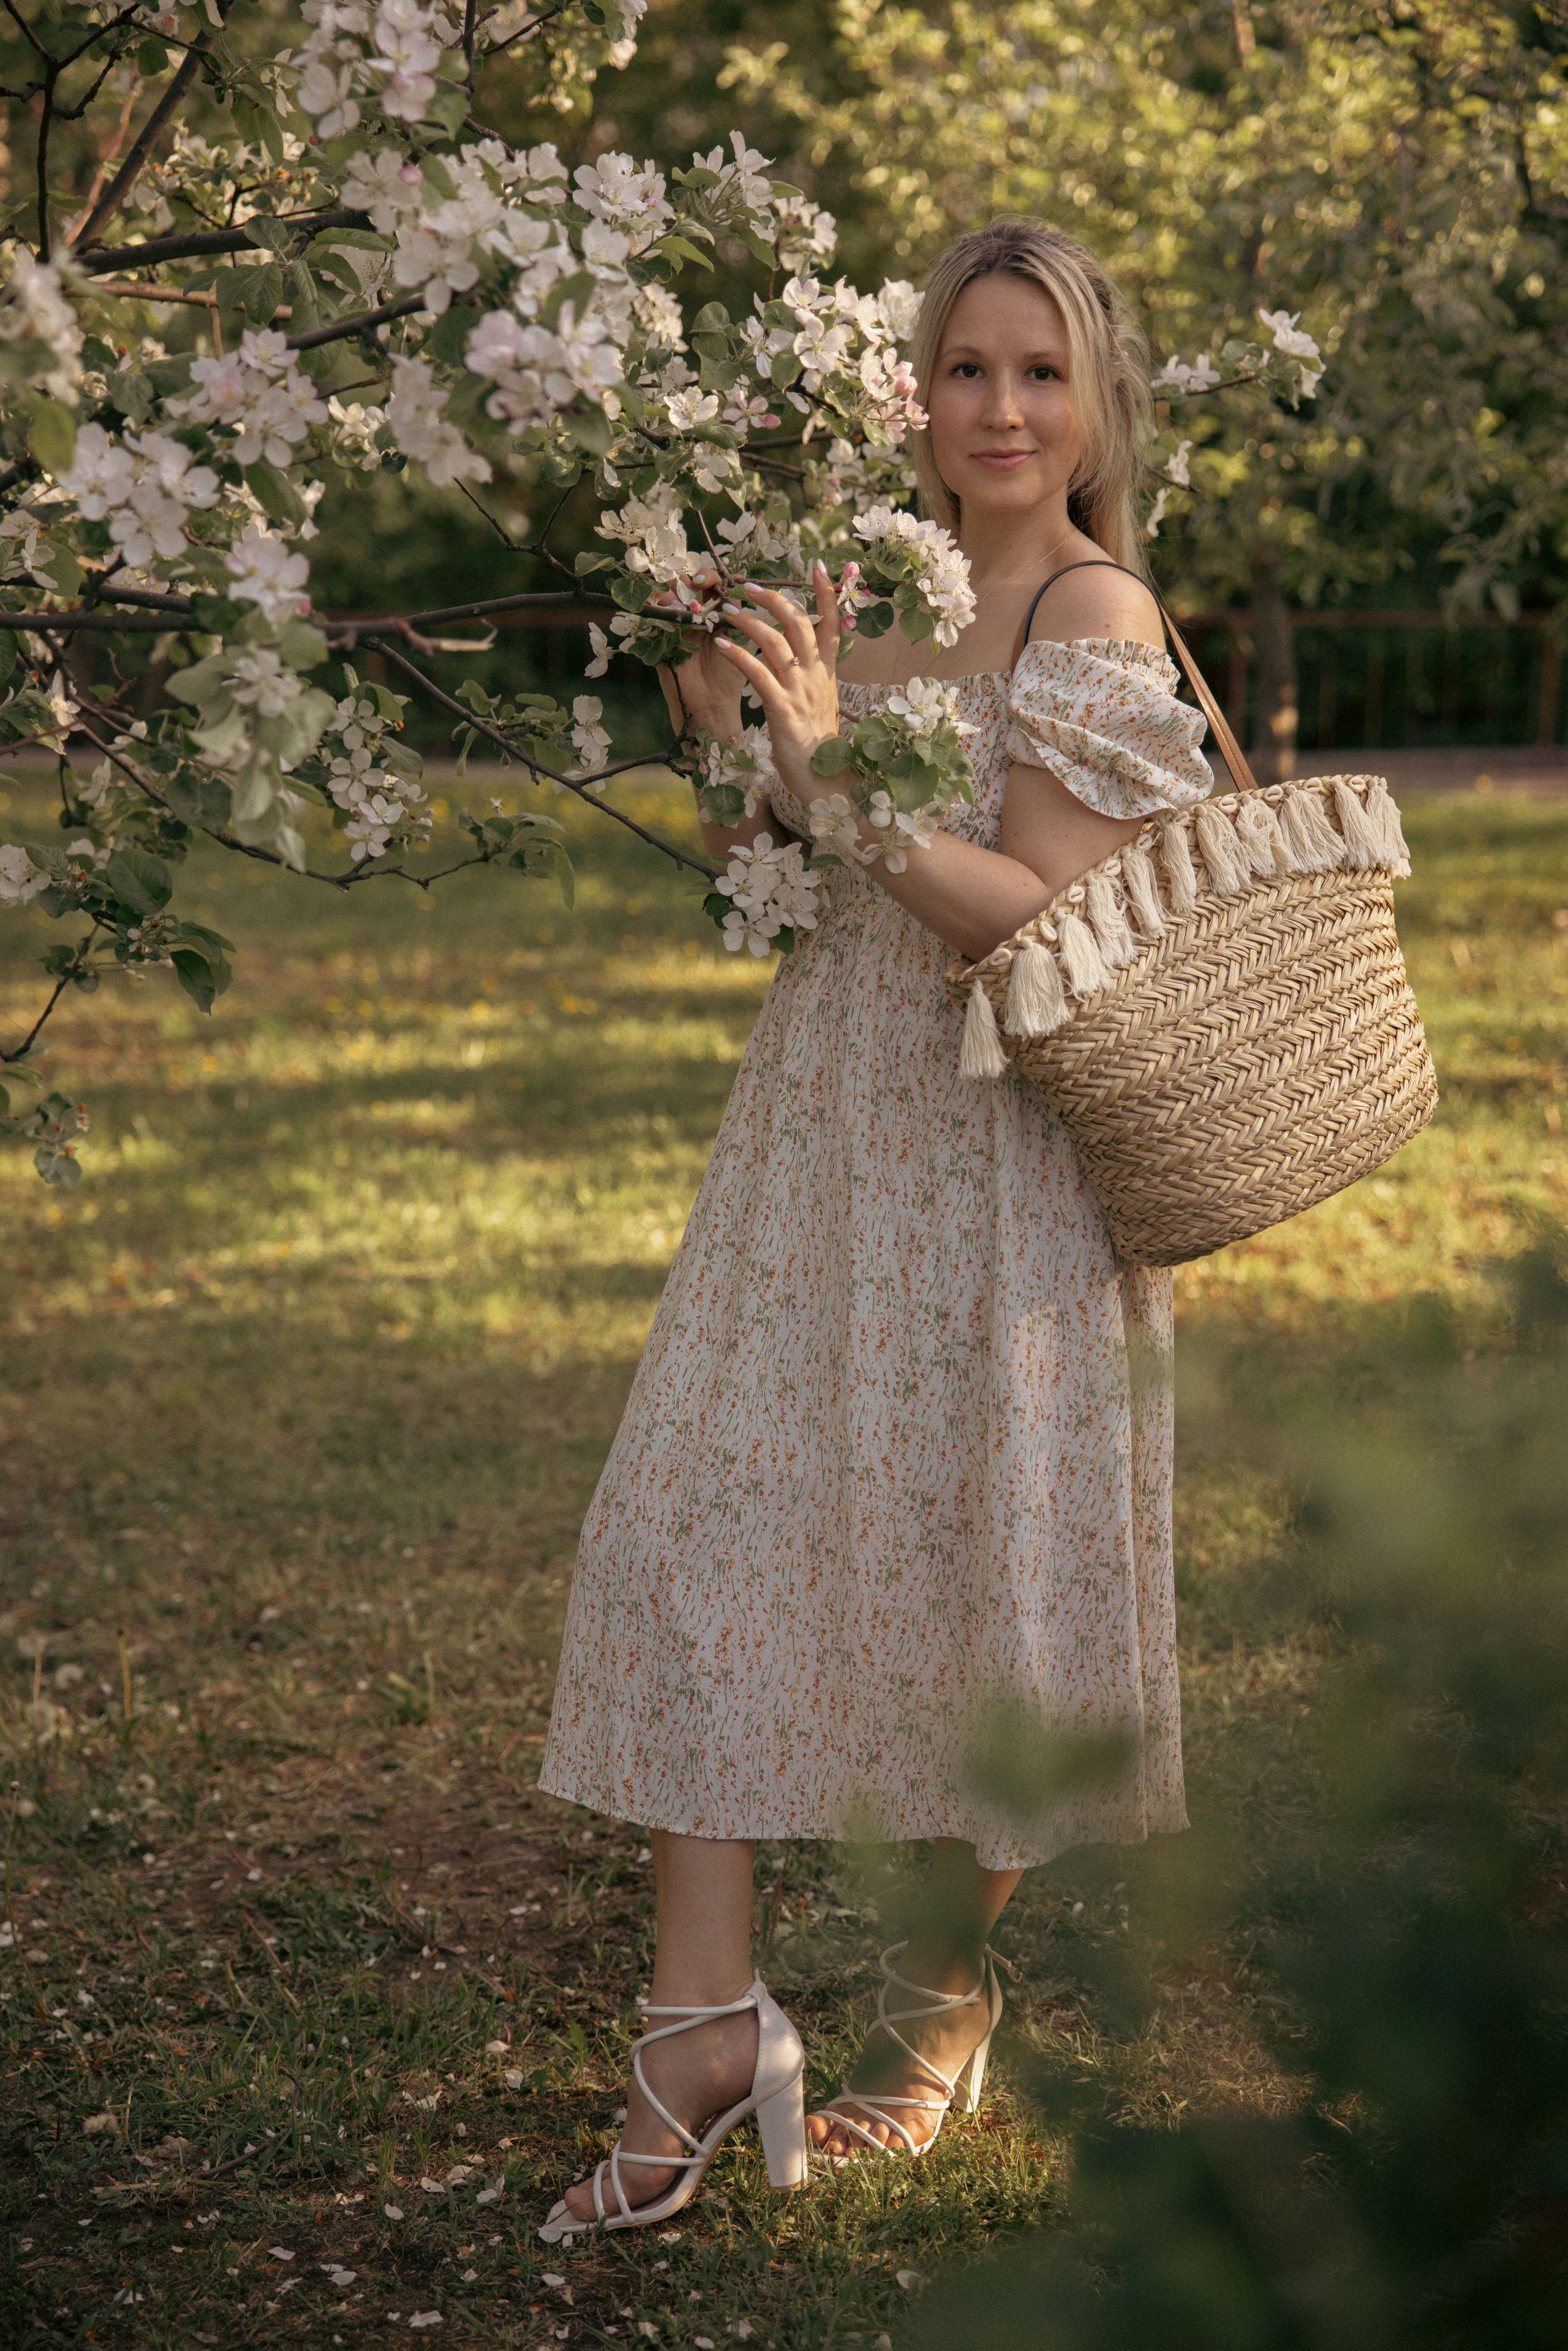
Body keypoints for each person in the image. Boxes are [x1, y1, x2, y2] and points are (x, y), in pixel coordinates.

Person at [535, 219, 1212, 2240]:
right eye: (961, 370)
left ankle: (934, 2011)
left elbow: (1060, 923)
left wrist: (838, 787)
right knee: (691, 1521)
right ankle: (703, 2029)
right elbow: (778, 844)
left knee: (969, 1564)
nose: (995, 409)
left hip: (1001, 1153)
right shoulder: (871, 591)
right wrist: (737, 722)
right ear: (906, 393)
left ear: (1091, 404)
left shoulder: (1087, 613)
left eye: (1036, 371)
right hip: (822, 1131)